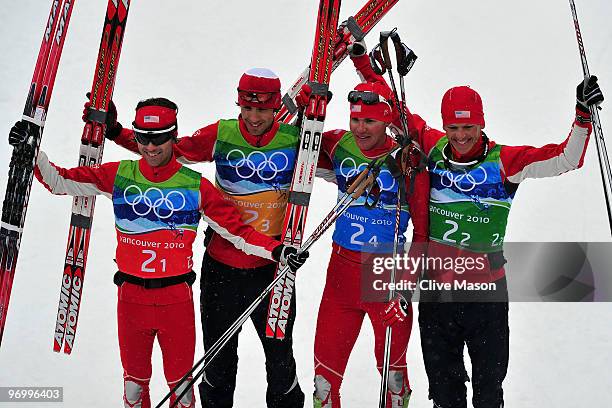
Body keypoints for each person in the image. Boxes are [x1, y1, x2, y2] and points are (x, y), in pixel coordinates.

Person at [8, 97, 308, 408]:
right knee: (134, 390)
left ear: (174, 136)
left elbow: (239, 232)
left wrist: (278, 251)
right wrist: (31, 151)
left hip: (175, 302)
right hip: (131, 300)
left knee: (182, 392)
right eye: (144, 138)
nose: (152, 147)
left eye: (161, 138)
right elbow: (59, 181)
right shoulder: (119, 175)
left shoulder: (196, 186)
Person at [357, 48, 603, 406]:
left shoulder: (504, 162)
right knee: (444, 392)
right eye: (453, 128)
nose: (460, 136)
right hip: (436, 294)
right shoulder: (432, 146)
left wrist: (582, 115)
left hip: (485, 295)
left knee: (489, 392)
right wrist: (363, 64)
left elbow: (567, 158)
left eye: (468, 127)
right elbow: (392, 108)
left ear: (481, 123)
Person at [101, 69, 306, 408]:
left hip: (273, 269)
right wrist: (117, 132)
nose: (254, 118)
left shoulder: (294, 140)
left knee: (281, 361)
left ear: (275, 108)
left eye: (262, 110)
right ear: (239, 104)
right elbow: (168, 151)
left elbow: (343, 165)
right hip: (221, 269)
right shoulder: (221, 133)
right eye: (247, 108)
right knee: (218, 362)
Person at [307, 42, 430, 407]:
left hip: (386, 275)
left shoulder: (408, 159)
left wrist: (407, 285)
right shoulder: (337, 144)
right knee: (323, 383)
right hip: (340, 273)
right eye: (355, 119)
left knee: (393, 378)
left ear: (387, 120)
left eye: (370, 121)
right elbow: (294, 142)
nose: (360, 128)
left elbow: (422, 232)